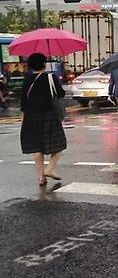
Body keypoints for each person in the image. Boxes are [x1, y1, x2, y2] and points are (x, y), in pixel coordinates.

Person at [19, 53, 66, 186]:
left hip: (30, 117)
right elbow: (61, 94)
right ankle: (50, 168)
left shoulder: (27, 78)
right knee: (59, 144)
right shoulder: (51, 77)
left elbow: (23, 99)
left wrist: (22, 116)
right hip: (49, 115)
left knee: (36, 147)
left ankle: (41, 178)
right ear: (44, 64)